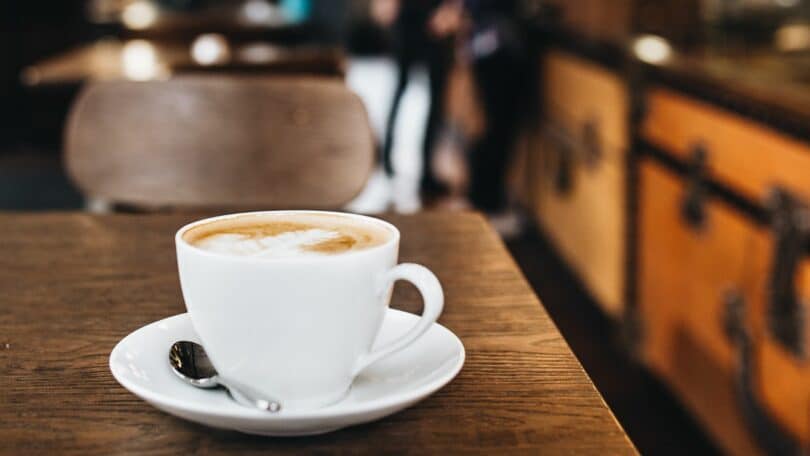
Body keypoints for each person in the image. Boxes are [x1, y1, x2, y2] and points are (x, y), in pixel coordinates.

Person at [372, 0, 458, 196]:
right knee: (401, 91)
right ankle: (385, 157)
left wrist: (449, 9)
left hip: (436, 17)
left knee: (435, 101)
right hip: (410, 16)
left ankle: (426, 172)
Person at [463, 0, 529, 214]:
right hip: (498, 49)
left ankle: (483, 198)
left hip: (486, 45)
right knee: (498, 128)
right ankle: (487, 201)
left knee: (493, 126)